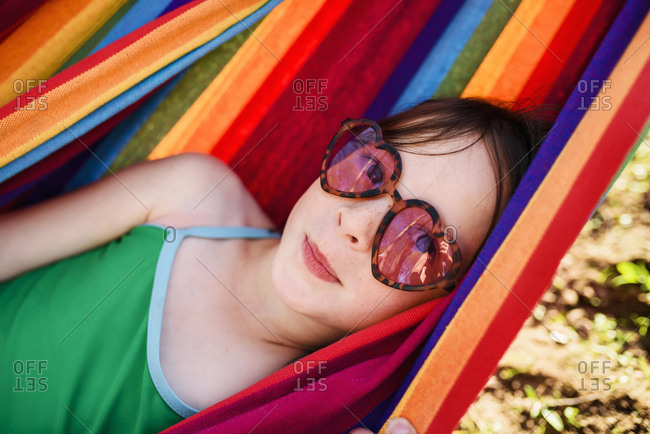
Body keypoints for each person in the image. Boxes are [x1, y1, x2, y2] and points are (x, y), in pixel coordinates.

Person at [0, 97, 551, 433]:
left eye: (420, 243)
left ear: (440, 306)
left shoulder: (282, 414)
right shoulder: (191, 196)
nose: (356, 227)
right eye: (371, 169)